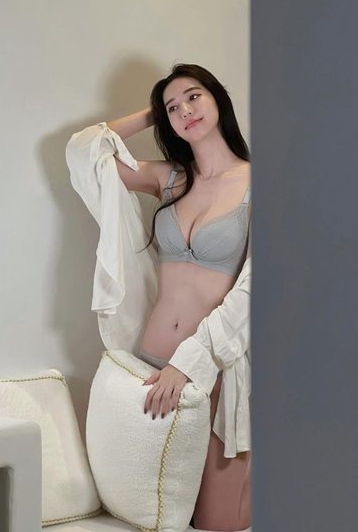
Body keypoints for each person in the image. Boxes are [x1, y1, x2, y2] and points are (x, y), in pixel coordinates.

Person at [67, 64, 251, 532]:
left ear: (218, 98)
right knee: (151, 518)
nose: (184, 110)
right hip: (149, 370)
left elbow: (254, 291)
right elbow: (84, 152)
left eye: (194, 96)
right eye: (173, 107)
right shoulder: (170, 178)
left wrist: (190, 363)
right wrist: (153, 113)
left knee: (218, 522)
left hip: (212, 373)